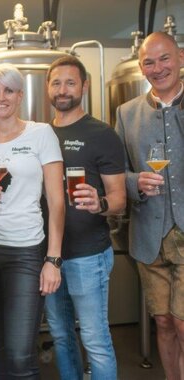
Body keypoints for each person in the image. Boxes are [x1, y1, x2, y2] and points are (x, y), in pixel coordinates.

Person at [0, 63, 65, 379]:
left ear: (20, 96)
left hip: (25, 252)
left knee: (20, 353)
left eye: (8, 90)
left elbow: (57, 202)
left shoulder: (41, 134)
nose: (1, 97)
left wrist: (53, 260)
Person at [43, 55, 126, 380]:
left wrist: (100, 202)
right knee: (61, 336)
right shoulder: (40, 133)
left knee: (95, 339)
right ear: (48, 87)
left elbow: (120, 198)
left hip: (88, 256)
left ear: (84, 86)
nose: (63, 90)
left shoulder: (101, 133)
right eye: (56, 82)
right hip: (50, 257)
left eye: (70, 82)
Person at [115, 31, 184, 380]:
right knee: (164, 322)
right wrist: (134, 182)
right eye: (149, 62)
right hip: (147, 235)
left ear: (181, 58)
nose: (158, 68)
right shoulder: (126, 113)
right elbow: (116, 174)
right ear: (142, 68)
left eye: (165, 58)